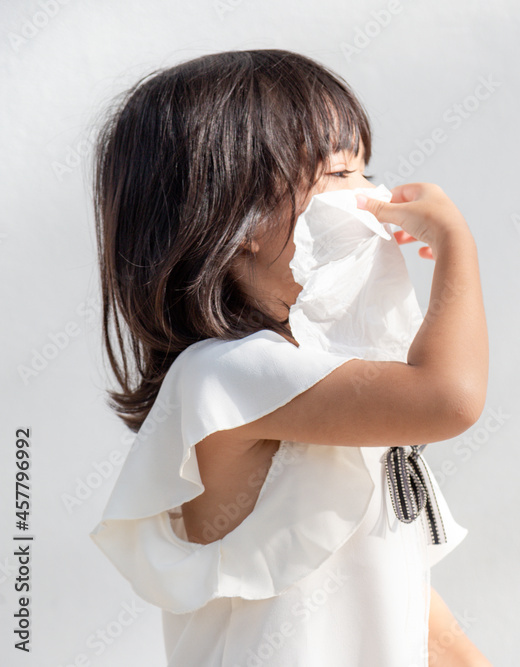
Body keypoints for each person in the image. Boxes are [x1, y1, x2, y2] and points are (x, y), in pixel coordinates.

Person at [87, 48, 490, 666]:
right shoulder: (221, 375)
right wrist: (457, 248)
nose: (375, 198)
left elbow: (415, 610)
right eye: (339, 175)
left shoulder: (334, 394)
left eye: (366, 172)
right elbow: (449, 398)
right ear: (236, 217)